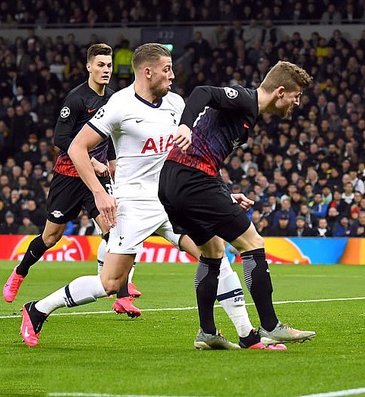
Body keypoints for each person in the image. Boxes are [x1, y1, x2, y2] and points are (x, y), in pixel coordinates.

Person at [20, 44, 274, 351]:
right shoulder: (119, 104)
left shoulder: (178, 105)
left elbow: (195, 157)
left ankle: (246, 335)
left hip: (172, 199)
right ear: (147, 71)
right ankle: (37, 309)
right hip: (133, 204)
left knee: (216, 255)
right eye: (166, 69)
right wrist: (100, 193)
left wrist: (221, 193)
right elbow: (76, 148)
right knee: (110, 284)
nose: (172, 75)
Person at [158, 60, 316, 345]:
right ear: (280, 92)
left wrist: (226, 191)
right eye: (296, 95)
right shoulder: (244, 99)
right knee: (253, 243)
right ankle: (270, 325)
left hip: (173, 181)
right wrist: (184, 126)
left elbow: (209, 154)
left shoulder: (247, 116)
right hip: (192, 180)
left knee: (213, 250)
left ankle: (207, 332)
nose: (297, 102)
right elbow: (202, 91)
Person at [3, 44, 140, 315]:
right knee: (50, 236)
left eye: (109, 65)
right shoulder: (77, 98)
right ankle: (19, 273)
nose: (106, 70)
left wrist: (113, 163)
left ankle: (122, 295)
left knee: (114, 232)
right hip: (68, 176)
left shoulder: (114, 99)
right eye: (100, 65)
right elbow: (60, 138)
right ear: (89, 66)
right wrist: (91, 160)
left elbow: (111, 138)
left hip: (95, 180)